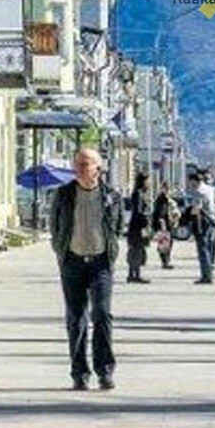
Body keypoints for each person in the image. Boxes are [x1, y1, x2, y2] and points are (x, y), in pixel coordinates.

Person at [50, 148, 123, 391]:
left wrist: (110, 252)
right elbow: (55, 224)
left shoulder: (110, 195)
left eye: (86, 164)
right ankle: (79, 373)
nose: (81, 168)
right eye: (78, 163)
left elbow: (117, 224)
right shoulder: (64, 194)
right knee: (76, 317)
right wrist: (60, 250)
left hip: (101, 262)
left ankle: (105, 371)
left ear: (98, 169)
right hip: (72, 261)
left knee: (102, 315)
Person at [188, 168, 215, 284]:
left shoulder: (199, 192)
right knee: (208, 247)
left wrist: (187, 215)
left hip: (202, 222)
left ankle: (206, 275)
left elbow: (196, 209)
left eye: (190, 182)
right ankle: (208, 273)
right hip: (211, 220)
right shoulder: (210, 189)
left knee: (203, 249)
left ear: (195, 181)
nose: (190, 185)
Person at [125, 173, 152, 283]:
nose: (149, 183)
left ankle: (133, 273)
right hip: (138, 226)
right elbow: (139, 212)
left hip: (137, 225)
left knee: (137, 250)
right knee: (137, 250)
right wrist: (146, 222)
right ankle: (134, 275)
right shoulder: (139, 194)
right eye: (148, 181)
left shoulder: (139, 193)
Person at [151, 182, 177, 269]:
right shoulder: (161, 199)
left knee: (169, 243)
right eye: (166, 189)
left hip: (170, 224)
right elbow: (160, 213)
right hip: (163, 224)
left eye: (168, 189)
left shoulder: (169, 199)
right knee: (163, 243)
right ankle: (165, 262)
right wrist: (161, 222)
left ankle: (167, 260)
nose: (167, 191)